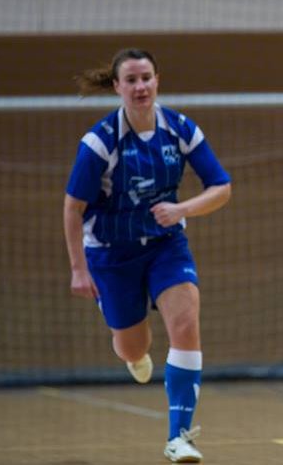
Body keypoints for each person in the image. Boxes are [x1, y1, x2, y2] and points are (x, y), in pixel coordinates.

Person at [64, 48, 232, 463]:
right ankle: (133, 352)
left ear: (158, 80)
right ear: (117, 86)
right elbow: (72, 208)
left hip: (164, 245)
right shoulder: (100, 142)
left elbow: (221, 187)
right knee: (132, 347)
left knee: (186, 320)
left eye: (146, 78)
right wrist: (78, 269)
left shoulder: (179, 128)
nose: (140, 87)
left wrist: (182, 209)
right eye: (132, 80)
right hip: (111, 253)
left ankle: (179, 437)